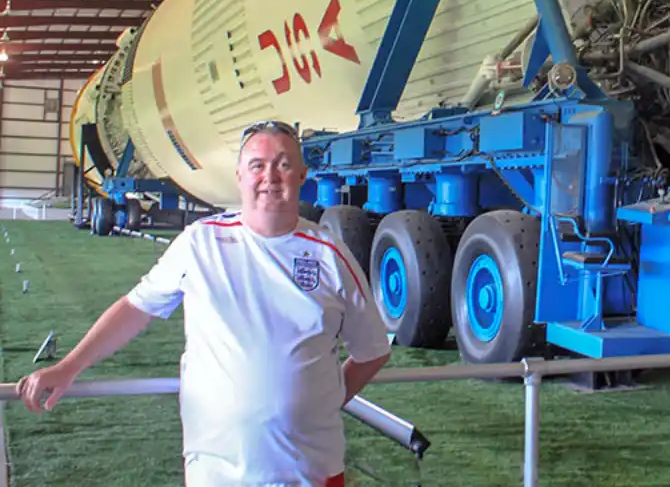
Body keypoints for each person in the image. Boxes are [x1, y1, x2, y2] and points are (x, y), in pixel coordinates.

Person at [16, 120, 392, 486]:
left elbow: (373, 350)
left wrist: (322, 400)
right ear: (239, 176)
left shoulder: (329, 255)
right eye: (257, 166)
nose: (270, 176)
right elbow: (135, 309)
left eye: (283, 164)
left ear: (301, 175)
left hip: (310, 471)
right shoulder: (201, 244)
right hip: (216, 471)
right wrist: (69, 366)